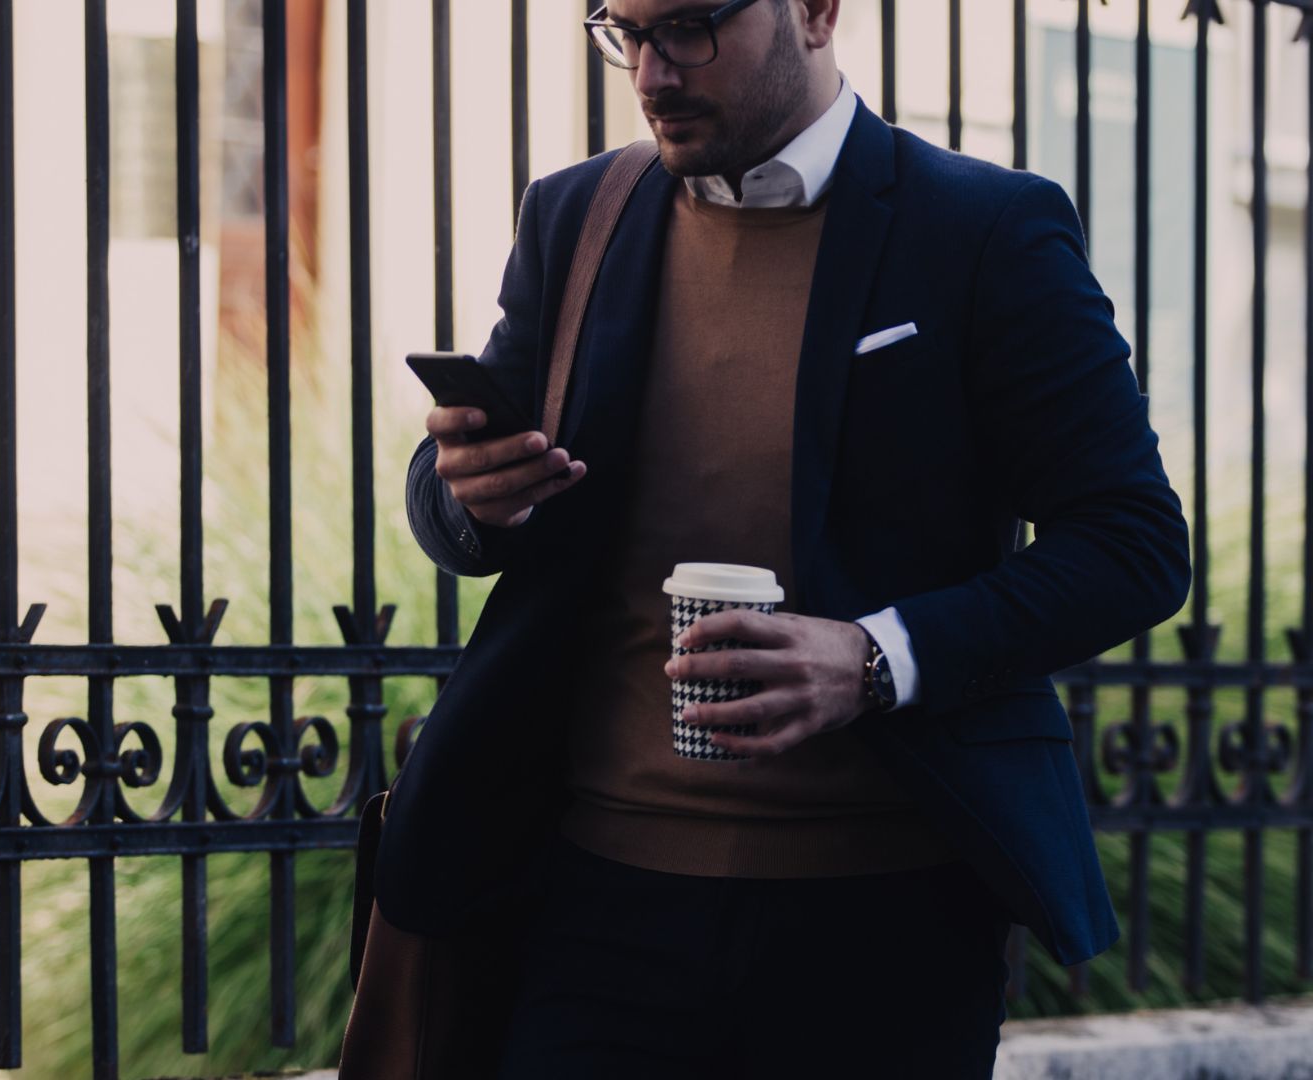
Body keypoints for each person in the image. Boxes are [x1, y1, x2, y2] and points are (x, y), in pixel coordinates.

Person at [374, 0, 1191, 1076]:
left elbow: (1134, 542)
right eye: (625, 30)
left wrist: (873, 659)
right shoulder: (576, 216)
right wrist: (467, 493)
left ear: (814, 10)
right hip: (596, 903)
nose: (653, 71)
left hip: (885, 919)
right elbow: (460, 492)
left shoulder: (983, 229)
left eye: (692, 27)